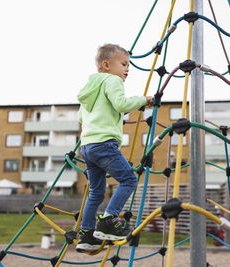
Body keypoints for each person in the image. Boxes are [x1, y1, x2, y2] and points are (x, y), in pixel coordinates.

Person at [76, 44, 153, 253]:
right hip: (105, 144)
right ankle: (109, 219)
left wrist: (110, 118)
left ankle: (86, 234)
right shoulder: (113, 80)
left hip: (87, 146)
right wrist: (143, 100)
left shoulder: (89, 88)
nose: (127, 69)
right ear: (106, 65)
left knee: (96, 192)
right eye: (124, 64)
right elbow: (120, 104)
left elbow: (81, 118)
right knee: (129, 179)